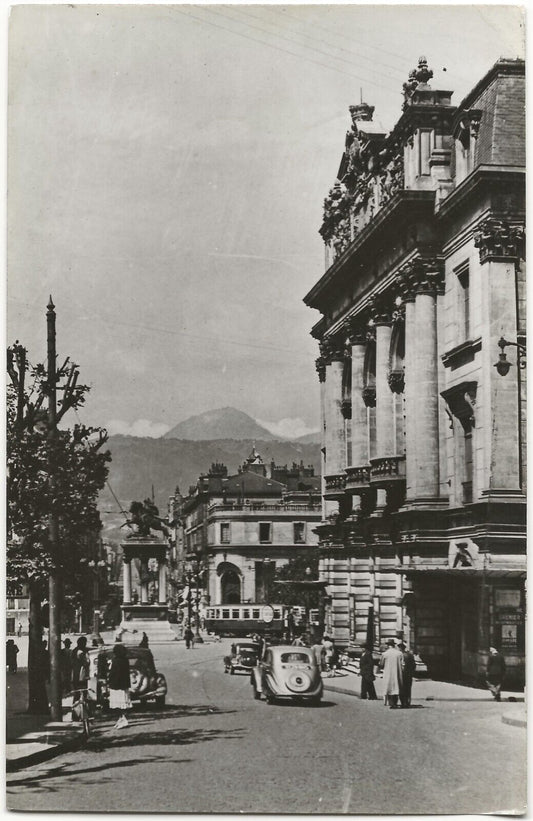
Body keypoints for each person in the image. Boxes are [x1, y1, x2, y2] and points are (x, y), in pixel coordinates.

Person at [108, 643, 132, 729]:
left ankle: (123, 719)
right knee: (122, 703)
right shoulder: (125, 660)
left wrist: (110, 681)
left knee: (117, 704)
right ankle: (121, 718)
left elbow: (114, 673)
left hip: (116, 685)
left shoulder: (115, 660)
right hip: (124, 685)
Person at [379, 638, 403, 708]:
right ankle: (394, 702)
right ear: (394, 645)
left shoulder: (385, 654)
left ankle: (390, 702)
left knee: (388, 687)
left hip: (388, 673)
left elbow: (381, 664)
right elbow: (403, 664)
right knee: (396, 687)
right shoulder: (399, 653)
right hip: (397, 673)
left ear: (388, 645)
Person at [398, 642, 417, 708]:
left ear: (399, 648)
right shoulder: (410, 655)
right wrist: (411, 672)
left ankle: (403, 703)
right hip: (408, 675)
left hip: (401, 675)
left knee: (401, 689)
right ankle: (408, 702)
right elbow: (414, 665)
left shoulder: (399, 656)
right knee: (408, 689)